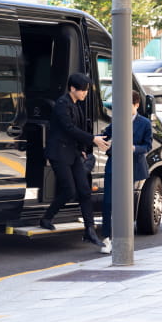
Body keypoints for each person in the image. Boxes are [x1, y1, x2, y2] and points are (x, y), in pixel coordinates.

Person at [40, 72, 109, 247]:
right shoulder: (62, 105)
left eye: (86, 90)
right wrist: (93, 139)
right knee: (69, 190)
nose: (85, 93)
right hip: (59, 153)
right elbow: (69, 129)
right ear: (72, 88)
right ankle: (47, 217)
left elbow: (75, 131)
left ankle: (90, 230)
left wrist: (82, 150)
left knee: (85, 191)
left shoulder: (76, 104)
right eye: (82, 90)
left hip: (73, 153)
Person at [98, 90, 153, 254]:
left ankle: (123, 238)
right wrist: (100, 140)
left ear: (136, 105)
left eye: (127, 104)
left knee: (125, 203)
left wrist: (133, 148)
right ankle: (107, 238)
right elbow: (105, 135)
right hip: (114, 163)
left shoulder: (145, 123)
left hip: (132, 165)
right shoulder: (117, 120)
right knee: (108, 202)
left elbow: (148, 146)